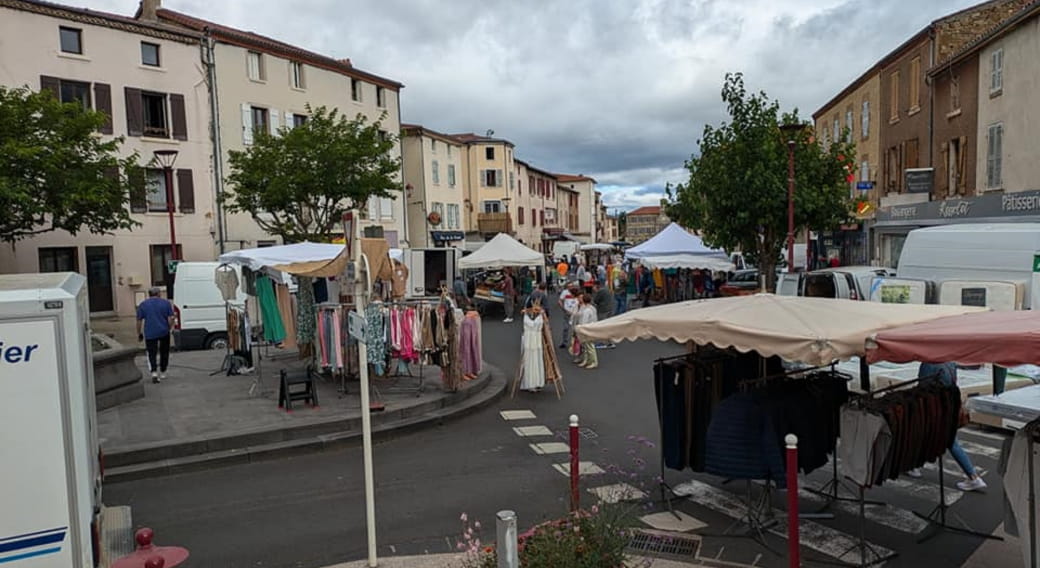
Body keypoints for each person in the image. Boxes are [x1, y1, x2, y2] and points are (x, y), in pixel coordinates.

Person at [907, 362, 987, 492]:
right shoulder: (949, 362)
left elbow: (922, 387)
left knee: (948, 442)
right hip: (948, 407)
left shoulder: (929, 363)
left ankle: (973, 477)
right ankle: (914, 465)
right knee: (929, 437)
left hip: (935, 409)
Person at [136, 287, 175, 383]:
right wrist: (169, 328)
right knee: (164, 352)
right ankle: (163, 371)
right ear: (158, 294)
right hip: (163, 331)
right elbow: (170, 319)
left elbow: (139, 321)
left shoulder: (143, 305)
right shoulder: (166, 303)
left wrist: (139, 333)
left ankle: (154, 372)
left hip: (150, 332)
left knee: (151, 353)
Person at [518, 304, 547, 392]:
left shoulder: (540, 315)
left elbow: (546, 323)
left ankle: (536, 382)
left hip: (535, 341)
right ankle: (528, 382)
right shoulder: (528, 315)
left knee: (536, 360)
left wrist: (543, 314)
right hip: (529, 341)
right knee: (529, 360)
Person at [574, 294, 599, 369]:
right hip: (593, 327)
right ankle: (587, 360)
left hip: (587, 329)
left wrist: (580, 328)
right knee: (586, 346)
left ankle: (593, 361)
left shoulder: (586, 310)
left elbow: (583, 321)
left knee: (589, 346)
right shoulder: (593, 308)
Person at [592, 282, 615, 349]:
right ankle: (611, 342)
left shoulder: (600, 292)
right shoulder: (607, 290)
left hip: (603, 310)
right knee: (608, 326)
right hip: (610, 309)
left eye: (593, 287)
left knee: (601, 327)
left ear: (596, 286)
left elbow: (596, 301)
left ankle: (602, 342)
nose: (593, 289)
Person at [558, 282, 580, 349]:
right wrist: (564, 309)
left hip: (575, 313)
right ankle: (564, 342)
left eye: (571, 286)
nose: (570, 288)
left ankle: (576, 342)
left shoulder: (576, 292)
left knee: (575, 328)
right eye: (569, 286)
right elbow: (560, 301)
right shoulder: (564, 292)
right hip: (567, 313)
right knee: (566, 328)